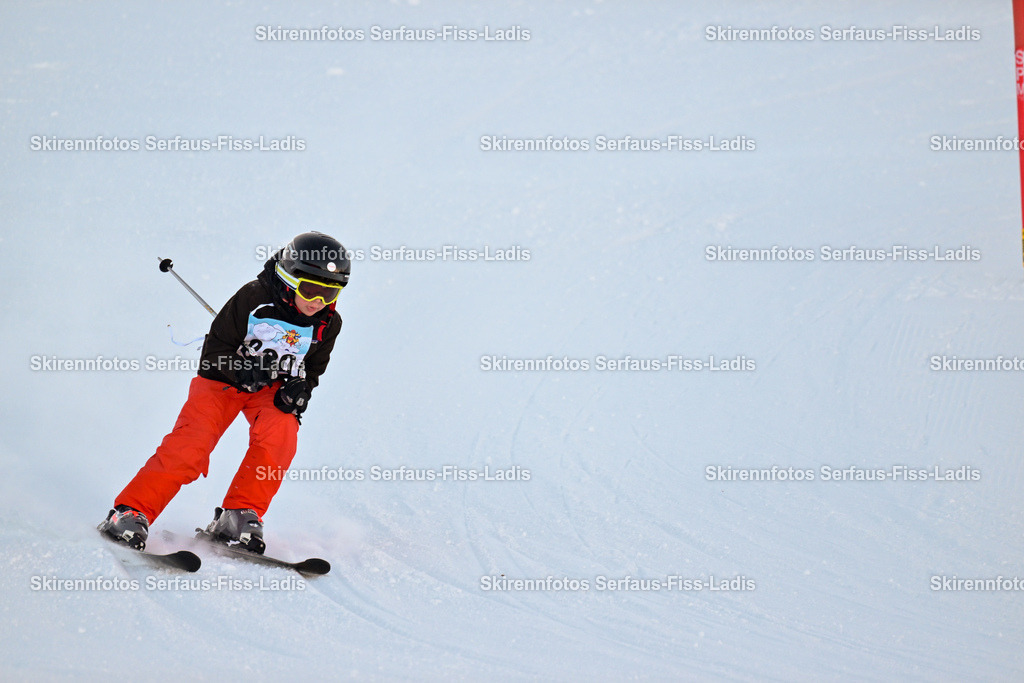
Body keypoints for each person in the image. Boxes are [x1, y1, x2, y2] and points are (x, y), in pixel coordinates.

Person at [98, 232, 349, 554]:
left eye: (330, 292)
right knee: (192, 446)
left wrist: (299, 390)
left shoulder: (329, 322)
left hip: (268, 390)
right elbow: (214, 351)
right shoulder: (253, 298)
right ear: (288, 279)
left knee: (281, 435)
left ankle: (238, 514)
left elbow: (312, 368)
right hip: (221, 382)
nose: (318, 301)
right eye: (311, 289)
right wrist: (241, 368)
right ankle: (130, 511)